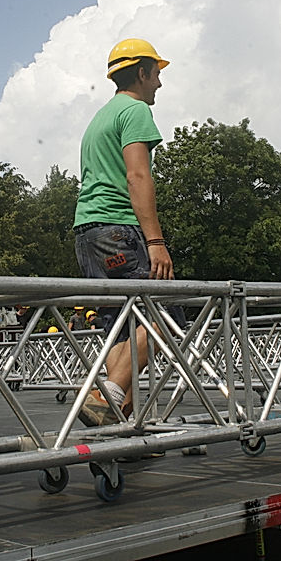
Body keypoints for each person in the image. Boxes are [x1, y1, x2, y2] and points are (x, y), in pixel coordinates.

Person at [73, 38, 176, 427]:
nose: (160, 84)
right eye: (157, 74)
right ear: (142, 72)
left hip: (88, 233)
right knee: (163, 320)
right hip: (120, 230)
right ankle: (105, 396)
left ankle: (117, 428)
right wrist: (155, 241)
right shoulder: (134, 112)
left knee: (123, 331)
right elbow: (137, 175)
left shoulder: (100, 117)